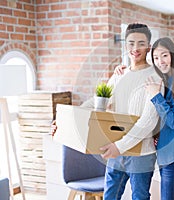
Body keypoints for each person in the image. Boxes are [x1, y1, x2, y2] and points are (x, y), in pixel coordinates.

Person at [51, 23, 163, 200]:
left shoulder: (156, 77)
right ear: (125, 46)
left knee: (140, 197)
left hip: (140, 153)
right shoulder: (119, 75)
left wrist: (119, 147)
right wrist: (64, 121)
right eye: (131, 43)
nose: (135, 48)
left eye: (141, 43)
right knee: (110, 196)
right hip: (115, 149)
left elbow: (148, 121)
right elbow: (98, 102)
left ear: (149, 46)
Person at [114, 37, 174, 200]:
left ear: (173, 55)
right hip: (169, 157)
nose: (160, 62)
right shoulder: (165, 81)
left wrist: (156, 96)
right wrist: (125, 70)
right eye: (156, 58)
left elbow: (173, 122)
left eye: (164, 55)